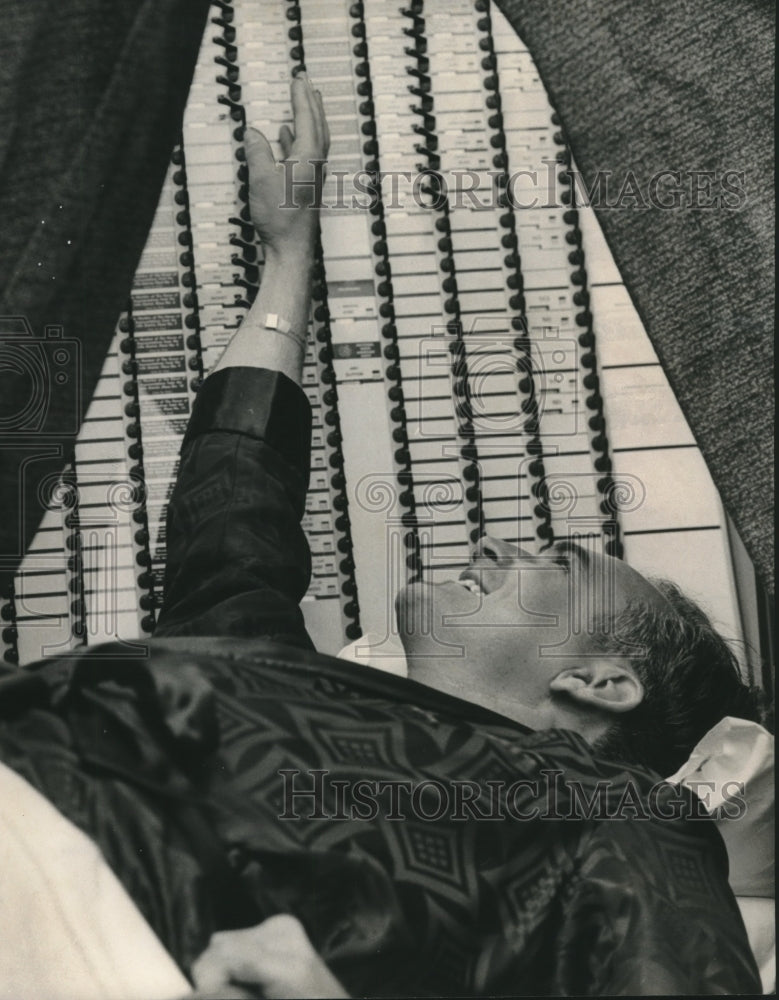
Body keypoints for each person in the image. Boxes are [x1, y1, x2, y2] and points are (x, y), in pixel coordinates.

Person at [0, 74, 766, 998]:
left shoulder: (622, 822)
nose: (494, 543)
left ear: (600, 682)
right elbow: (234, 508)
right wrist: (288, 255)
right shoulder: (288, 686)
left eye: (551, 563)